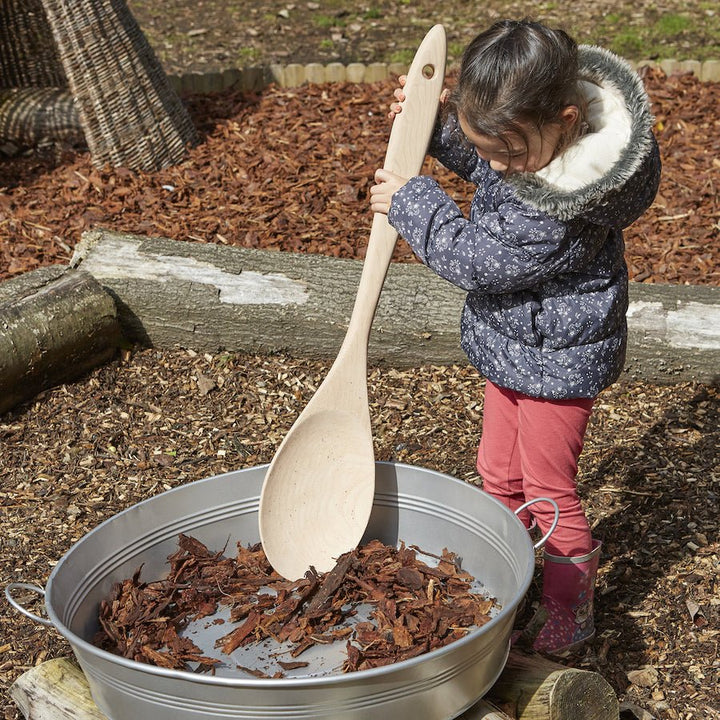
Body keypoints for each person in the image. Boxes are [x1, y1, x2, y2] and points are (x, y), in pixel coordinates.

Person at [370, 19, 661, 655]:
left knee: (549, 492)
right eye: (490, 148)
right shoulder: (543, 139)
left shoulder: (567, 203)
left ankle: (568, 606)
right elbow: (490, 159)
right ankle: (510, 571)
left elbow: (480, 260)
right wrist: (439, 126)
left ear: (564, 118)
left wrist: (414, 203)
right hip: (515, 343)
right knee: (496, 473)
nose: (497, 166)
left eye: (509, 153)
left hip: (559, 360)